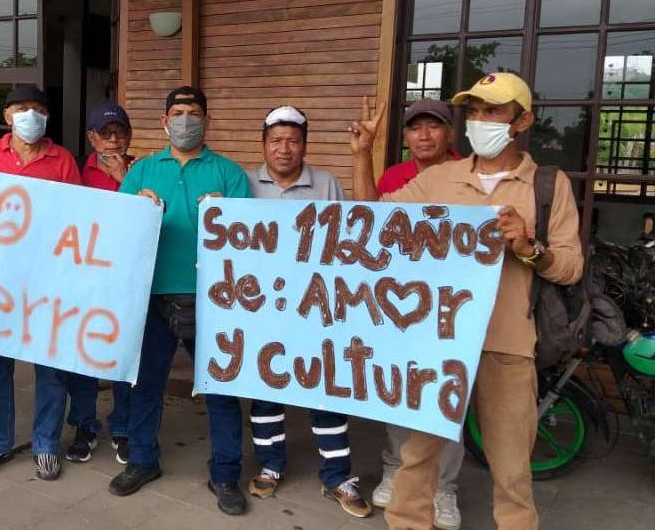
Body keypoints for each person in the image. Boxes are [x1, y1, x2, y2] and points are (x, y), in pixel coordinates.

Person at [349, 73, 584, 530]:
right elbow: (372, 217)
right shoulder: (441, 177)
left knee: (512, 468)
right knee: (417, 457)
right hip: (440, 340)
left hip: (509, 343)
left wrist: (529, 248)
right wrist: (362, 155)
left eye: (493, 111)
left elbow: (572, 267)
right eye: (474, 112)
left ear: (523, 120)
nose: (480, 121)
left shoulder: (548, 185)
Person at [108, 87, 252, 516]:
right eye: (178, 112)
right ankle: (141, 461)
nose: (185, 120)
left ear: (206, 121)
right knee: (143, 384)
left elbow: (250, 242)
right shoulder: (143, 171)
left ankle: (225, 473)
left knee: (220, 389)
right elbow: (116, 231)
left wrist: (233, 217)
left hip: (212, 298)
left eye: (193, 112)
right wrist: (136, 207)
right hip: (151, 295)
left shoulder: (230, 174)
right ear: (164, 121)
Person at [245, 106, 372, 519]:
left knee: (325, 390)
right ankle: (270, 465)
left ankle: (337, 476)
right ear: (264, 144)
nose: (284, 149)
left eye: (293, 141)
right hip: (263, 308)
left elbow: (345, 238)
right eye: (276, 140)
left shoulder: (326, 183)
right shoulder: (243, 184)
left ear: (305, 146)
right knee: (266, 388)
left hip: (317, 308)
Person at [0, 86, 81, 481]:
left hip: (46, 282)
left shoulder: (62, 160)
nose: (31, 114)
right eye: (22, 108)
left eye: (39, 109)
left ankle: (46, 444)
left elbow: (78, 218)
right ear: (7, 115)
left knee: (51, 368)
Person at [370, 99, 464, 530]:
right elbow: (371, 216)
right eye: (415, 128)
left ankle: (444, 488)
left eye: (434, 127)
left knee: (448, 394)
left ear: (451, 133)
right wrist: (359, 153)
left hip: (454, 304)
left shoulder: (471, 173)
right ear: (405, 137)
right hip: (401, 302)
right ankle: (395, 468)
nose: (424, 136)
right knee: (399, 388)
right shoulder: (396, 177)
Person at [65, 102, 134, 464]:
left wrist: (127, 179)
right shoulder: (75, 170)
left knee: (124, 358)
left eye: (119, 132)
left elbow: (157, 214)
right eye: (104, 133)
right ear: (92, 137)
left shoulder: (144, 170)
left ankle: (122, 427)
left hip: (127, 282)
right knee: (83, 357)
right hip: (85, 280)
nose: (112, 139)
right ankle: (85, 424)